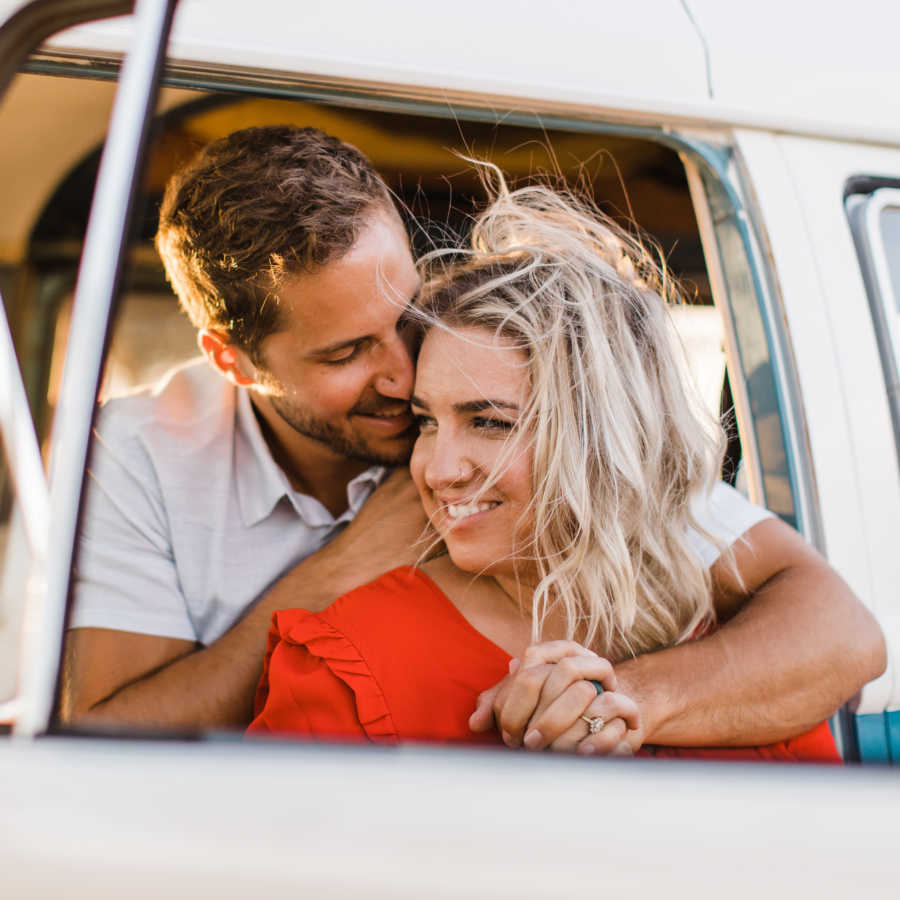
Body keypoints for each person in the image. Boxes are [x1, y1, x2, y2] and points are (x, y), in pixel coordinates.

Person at [62, 126, 884, 753]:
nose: (401, 369)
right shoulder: (136, 454)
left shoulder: (533, 411)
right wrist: (345, 569)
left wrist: (610, 700)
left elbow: (839, 629)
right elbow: (109, 748)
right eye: (347, 352)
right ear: (232, 360)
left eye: (405, 315)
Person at [246, 182, 848, 760]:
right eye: (427, 421)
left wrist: (624, 704)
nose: (438, 469)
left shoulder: (751, 653)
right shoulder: (345, 664)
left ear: (605, 439)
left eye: (490, 422)